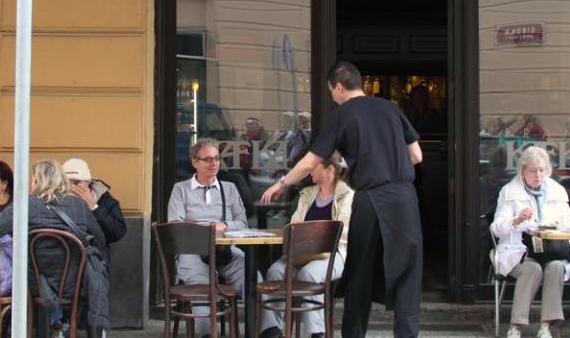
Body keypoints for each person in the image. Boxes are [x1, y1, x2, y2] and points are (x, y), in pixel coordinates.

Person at [261, 60, 424, 338]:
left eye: (331, 92)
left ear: (339, 86)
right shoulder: (391, 108)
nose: (333, 98)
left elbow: (313, 159)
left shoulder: (342, 115)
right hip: (405, 197)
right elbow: (416, 156)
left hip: (371, 196)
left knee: (359, 272)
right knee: (408, 273)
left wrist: (283, 182)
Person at [0, 159, 111, 334]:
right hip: (74, 282)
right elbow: (99, 238)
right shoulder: (78, 205)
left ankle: (51, 325)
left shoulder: (26, 205)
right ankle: (64, 325)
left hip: (35, 284)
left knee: (21, 270)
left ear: (36, 181)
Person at [259, 152, 354, 338]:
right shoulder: (307, 194)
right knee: (275, 271)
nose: (310, 171)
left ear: (330, 169)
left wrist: (313, 237)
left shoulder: (347, 196)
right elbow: (295, 225)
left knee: (308, 274)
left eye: (314, 167)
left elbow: (342, 232)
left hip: (333, 255)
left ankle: (315, 333)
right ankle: (271, 330)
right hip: (301, 254)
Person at [490, 145, 570, 338]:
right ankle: (516, 325)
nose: (538, 175)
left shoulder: (557, 190)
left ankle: (546, 326)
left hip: (551, 249)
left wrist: (558, 224)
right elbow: (496, 228)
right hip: (519, 251)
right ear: (523, 170)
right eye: (533, 171)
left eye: (542, 170)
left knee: (556, 267)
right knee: (533, 269)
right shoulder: (510, 191)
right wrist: (517, 221)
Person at [166, 140, 249, 338]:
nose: (214, 163)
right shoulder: (181, 189)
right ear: (195, 162)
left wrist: (225, 226)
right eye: (208, 159)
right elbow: (174, 227)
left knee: (252, 278)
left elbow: (243, 223)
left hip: (225, 251)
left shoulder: (229, 188)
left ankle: (268, 331)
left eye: (217, 159)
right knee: (204, 292)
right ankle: (205, 335)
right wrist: (201, 230)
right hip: (192, 252)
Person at [62, 157, 127, 261]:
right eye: (67, 183)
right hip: (64, 257)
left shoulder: (104, 199)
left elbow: (117, 232)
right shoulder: (56, 199)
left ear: (88, 183)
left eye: (76, 183)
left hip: (95, 260)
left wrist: (93, 206)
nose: (71, 188)